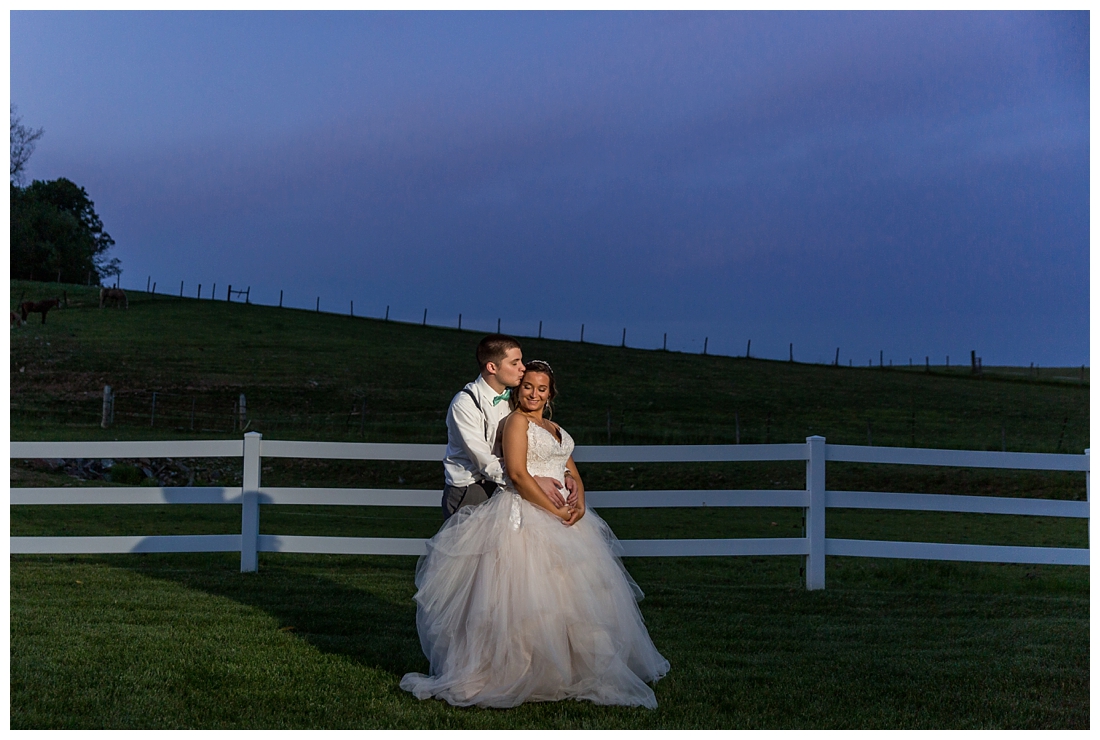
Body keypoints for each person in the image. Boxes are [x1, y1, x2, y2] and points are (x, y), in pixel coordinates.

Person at [401, 360, 670, 708]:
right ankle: (517, 669)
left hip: (567, 521)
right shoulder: (516, 422)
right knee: (525, 597)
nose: (533, 393)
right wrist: (556, 509)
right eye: (527, 386)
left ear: (550, 393)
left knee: (572, 597)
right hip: (524, 517)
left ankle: (568, 668)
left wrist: (580, 498)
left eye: (541, 388)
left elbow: (569, 466)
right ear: (518, 388)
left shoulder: (553, 427)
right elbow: (517, 473)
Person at [442, 334, 575, 518]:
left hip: (510, 491)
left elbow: (536, 442)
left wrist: (564, 472)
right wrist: (531, 481)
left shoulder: (514, 399)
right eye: (515, 363)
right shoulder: (465, 404)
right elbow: (485, 462)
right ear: (492, 367)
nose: (522, 368)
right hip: (472, 490)